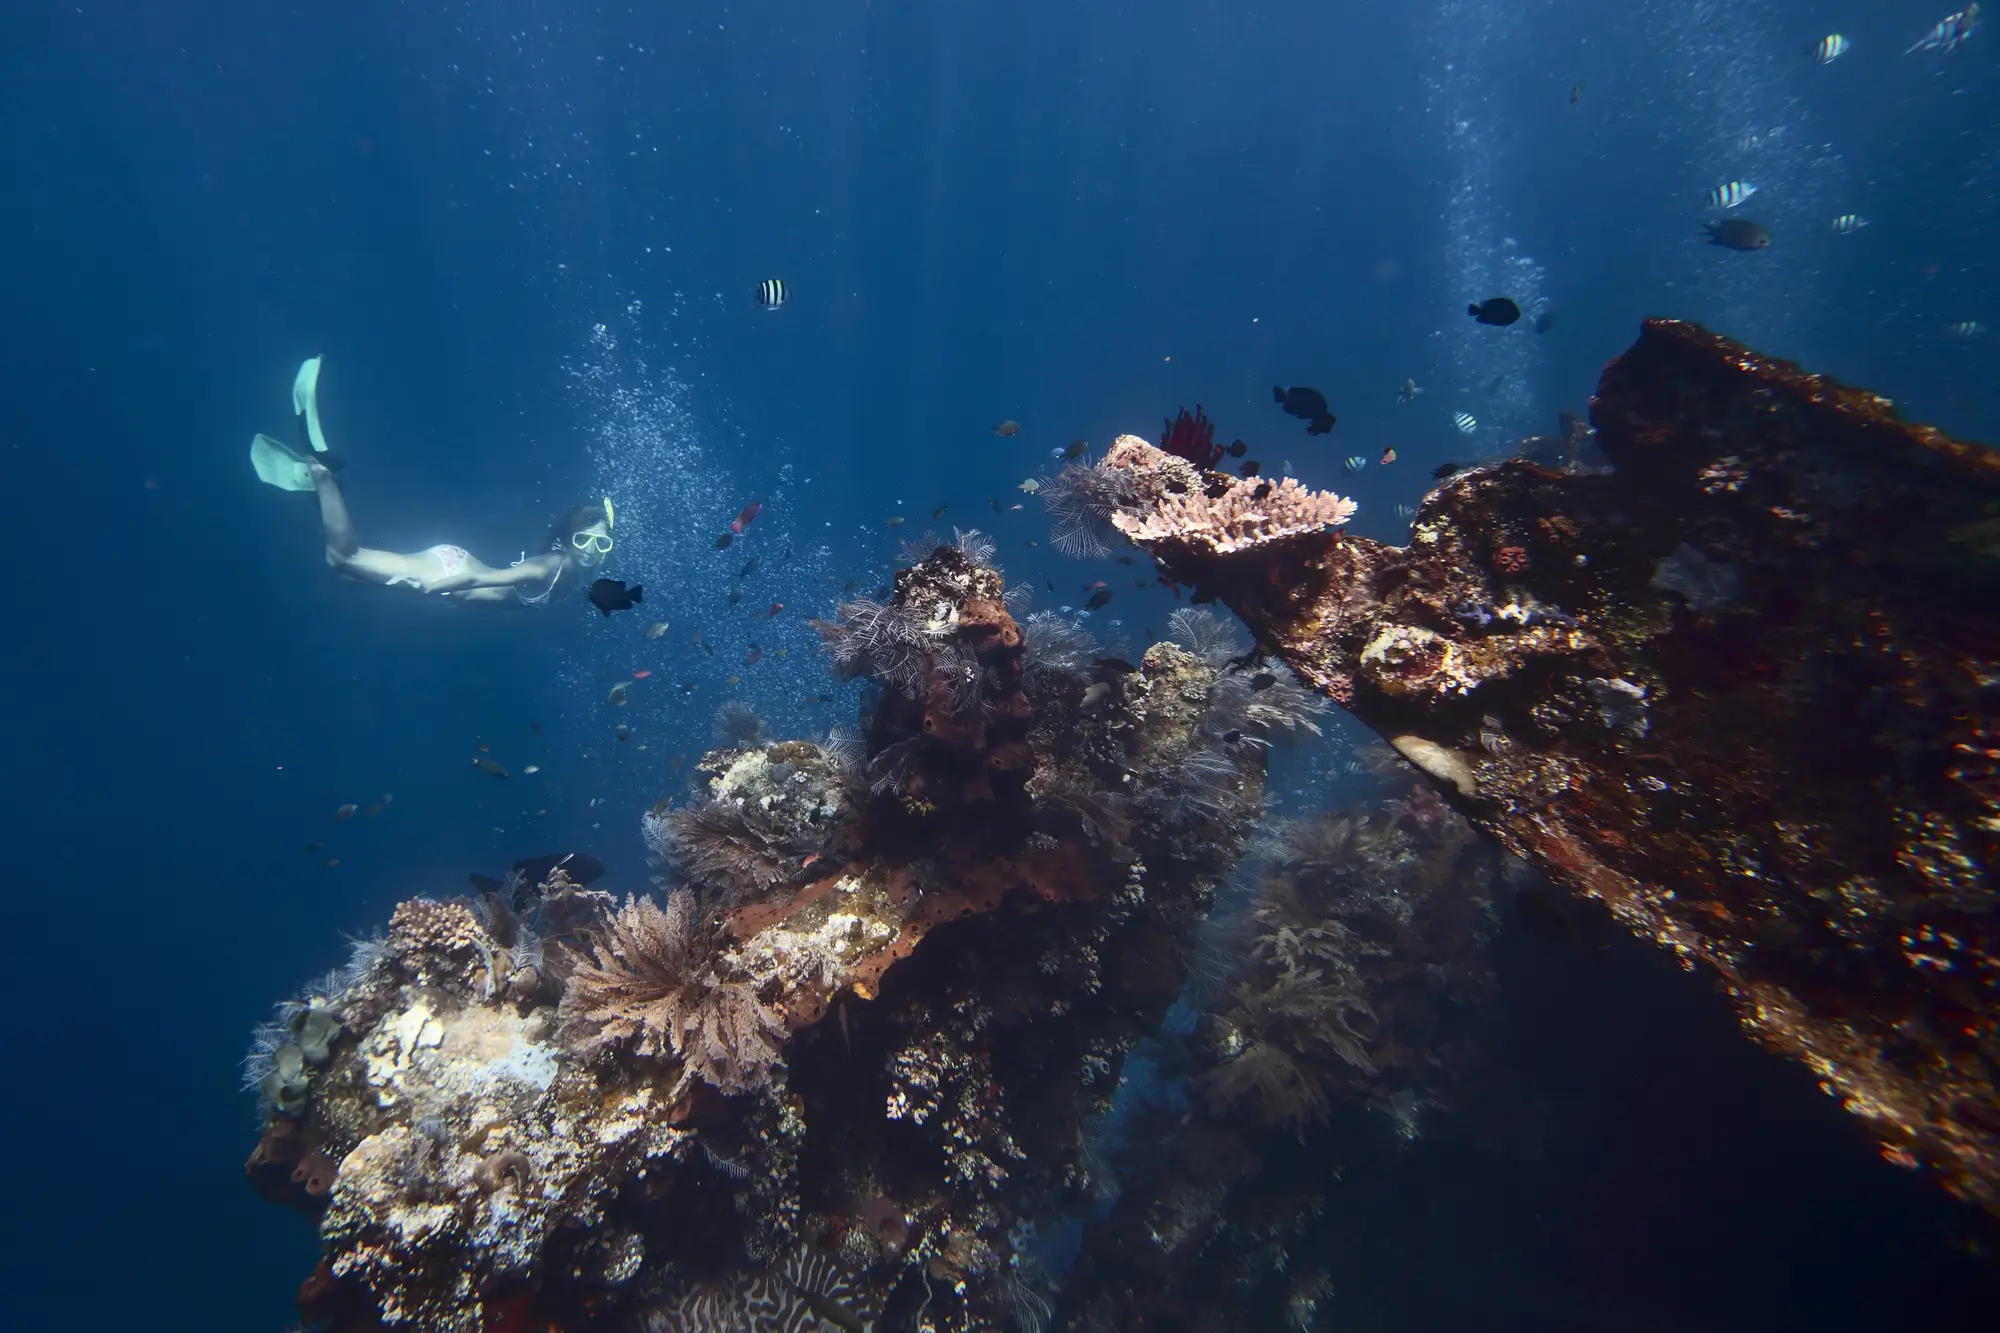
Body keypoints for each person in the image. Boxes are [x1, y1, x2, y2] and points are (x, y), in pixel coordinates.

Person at [251, 357, 614, 607]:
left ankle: (326, 497)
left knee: (349, 577)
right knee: (343, 558)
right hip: (449, 573)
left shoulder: (582, 570)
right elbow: (482, 582)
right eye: (583, 539)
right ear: (566, 541)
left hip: (453, 574)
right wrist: (434, 587)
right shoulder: (550, 566)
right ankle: (320, 472)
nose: (591, 549)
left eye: (601, 542)